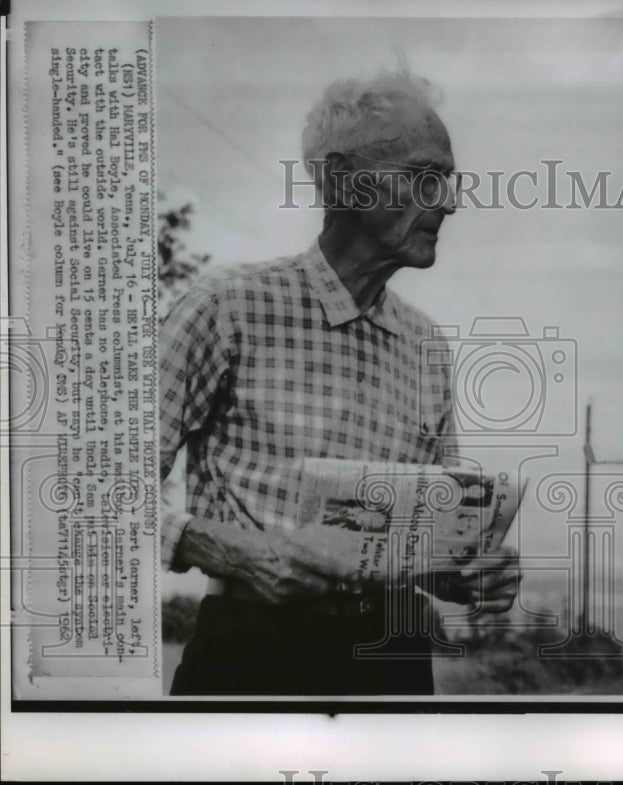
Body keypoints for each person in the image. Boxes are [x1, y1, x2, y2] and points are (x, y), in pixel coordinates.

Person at [160, 71, 520, 696]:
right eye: (425, 177)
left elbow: (430, 543)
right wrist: (236, 553)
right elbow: (97, 492)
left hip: (395, 662)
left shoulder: (426, 346)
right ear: (341, 180)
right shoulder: (226, 307)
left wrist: (470, 572)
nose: (450, 203)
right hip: (251, 654)